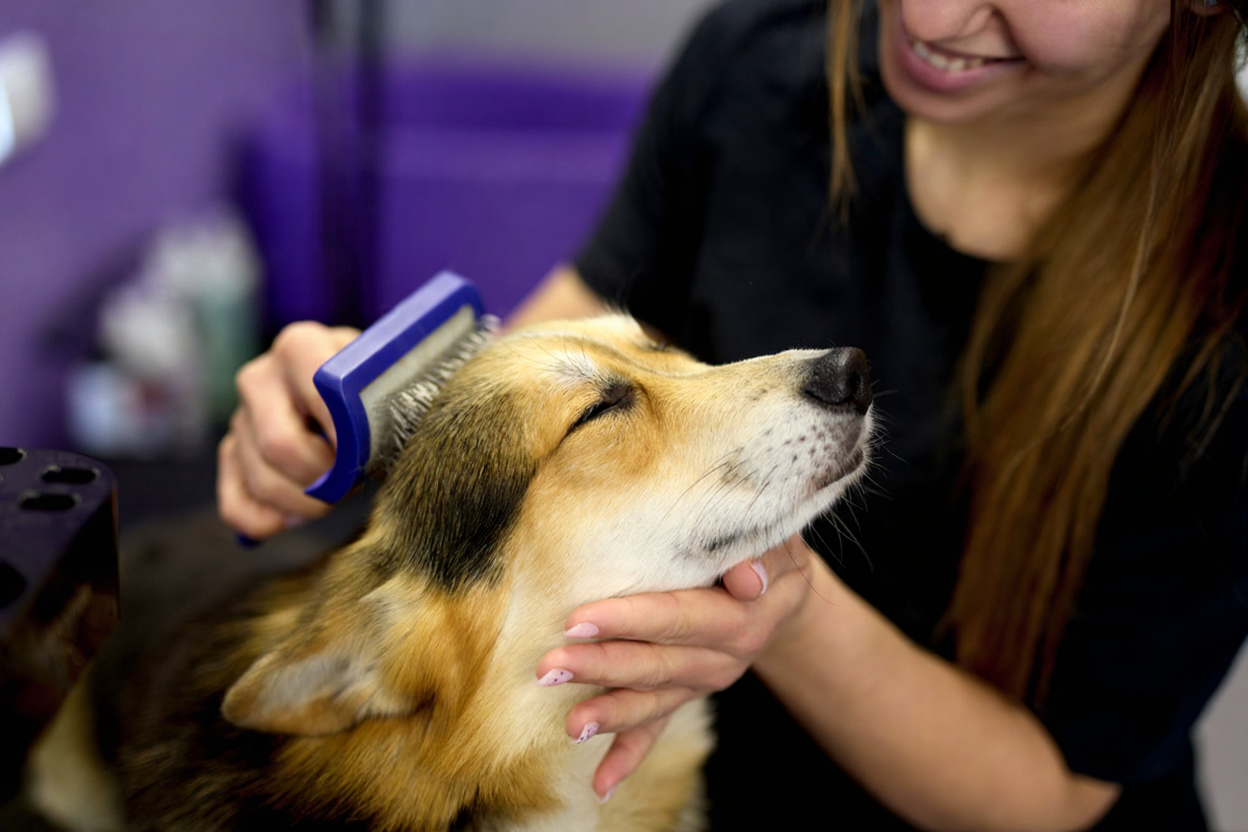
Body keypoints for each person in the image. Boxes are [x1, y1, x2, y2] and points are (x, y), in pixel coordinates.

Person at [218, 0, 1248, 828]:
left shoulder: (1226, 314)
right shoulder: (757, 64)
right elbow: (550, 373)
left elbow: (1048, 793)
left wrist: (786, 609)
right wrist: (361, 413)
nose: (929, 12)